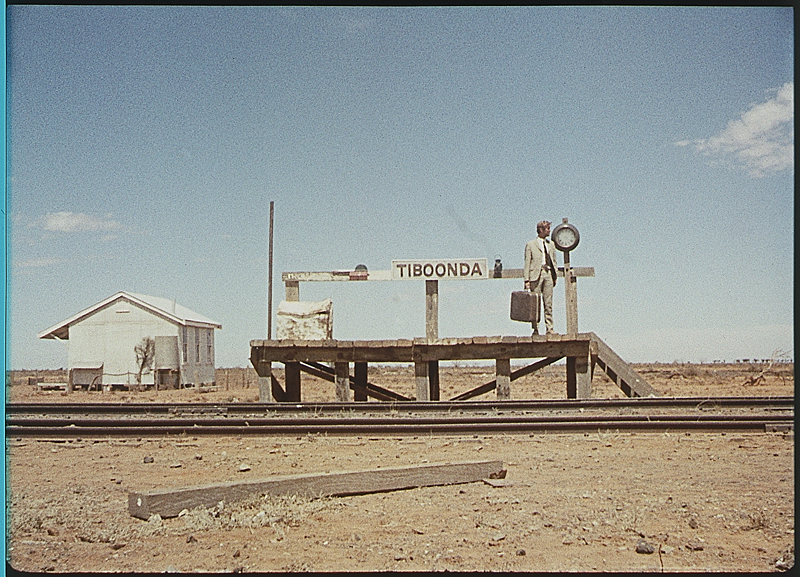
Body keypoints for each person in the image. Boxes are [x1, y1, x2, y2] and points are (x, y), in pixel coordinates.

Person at [524, 220, 558, 335]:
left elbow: (554, 260)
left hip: (548, 272)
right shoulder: (531, 244)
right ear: (541, 230)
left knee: (548, 303)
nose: (549, 231)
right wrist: (526, 280)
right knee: (535, 304)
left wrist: (554, 275)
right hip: (536, 275)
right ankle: (535, 328)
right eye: (547, 229)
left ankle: (550, 328)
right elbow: (527, 263)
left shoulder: (551, 245)